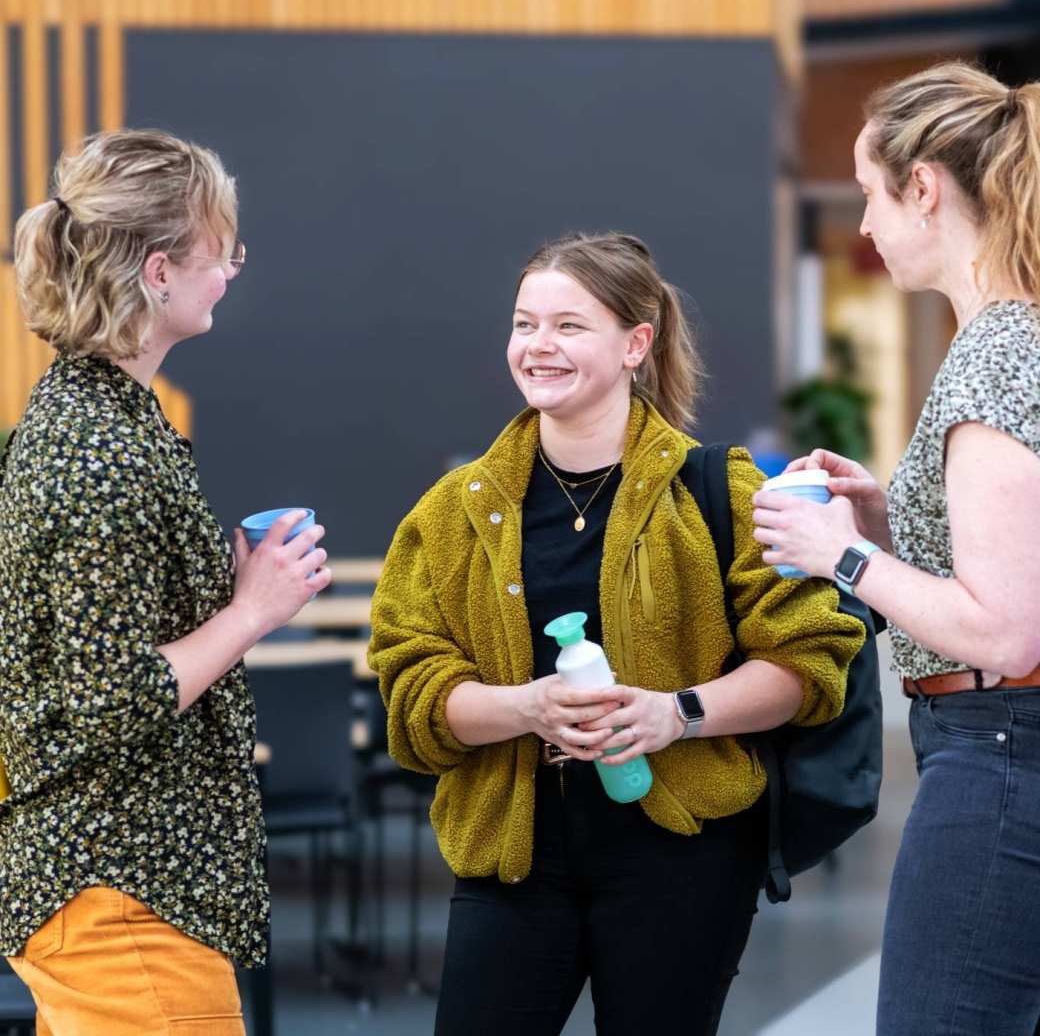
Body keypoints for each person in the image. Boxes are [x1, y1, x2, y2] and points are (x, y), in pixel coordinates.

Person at [369, 231, 864, 1036]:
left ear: (637, 342)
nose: (538, 346)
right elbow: (413, 693)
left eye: (568, 325)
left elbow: (807, 665)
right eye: (525, 323)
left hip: (684, 854)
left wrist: (678, 713)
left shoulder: (720, 490)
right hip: (512, 849)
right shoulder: (452, 510)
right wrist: (526, 707)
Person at [0, 128, 332, 1035]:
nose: (231, 270)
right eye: (220, 249)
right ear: (157, 272)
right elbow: (110, 699)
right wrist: (253, 610)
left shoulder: (105, 415)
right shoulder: (96, 448)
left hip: (122, 887)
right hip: (120, 890)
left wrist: (224, 590)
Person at [751, 63, 1040, 1036]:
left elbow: (1001, 633)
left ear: (924, 187)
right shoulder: (1011, 340)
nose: (865, 225)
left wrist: (841, 552)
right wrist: (890, 527)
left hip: (998, 750)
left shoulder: (995, 353)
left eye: (873, 193)